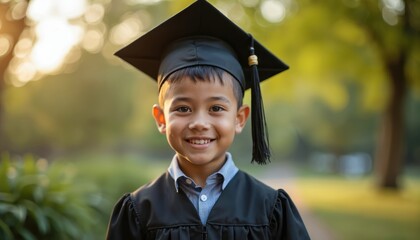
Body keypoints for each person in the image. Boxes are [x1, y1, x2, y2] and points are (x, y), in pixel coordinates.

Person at [106, 0, 310, 239]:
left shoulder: (270, 208)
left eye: (215, 108)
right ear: (161, 119)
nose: (199, 122)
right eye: (182, 108)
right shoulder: (139, 211)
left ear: (240, 118)